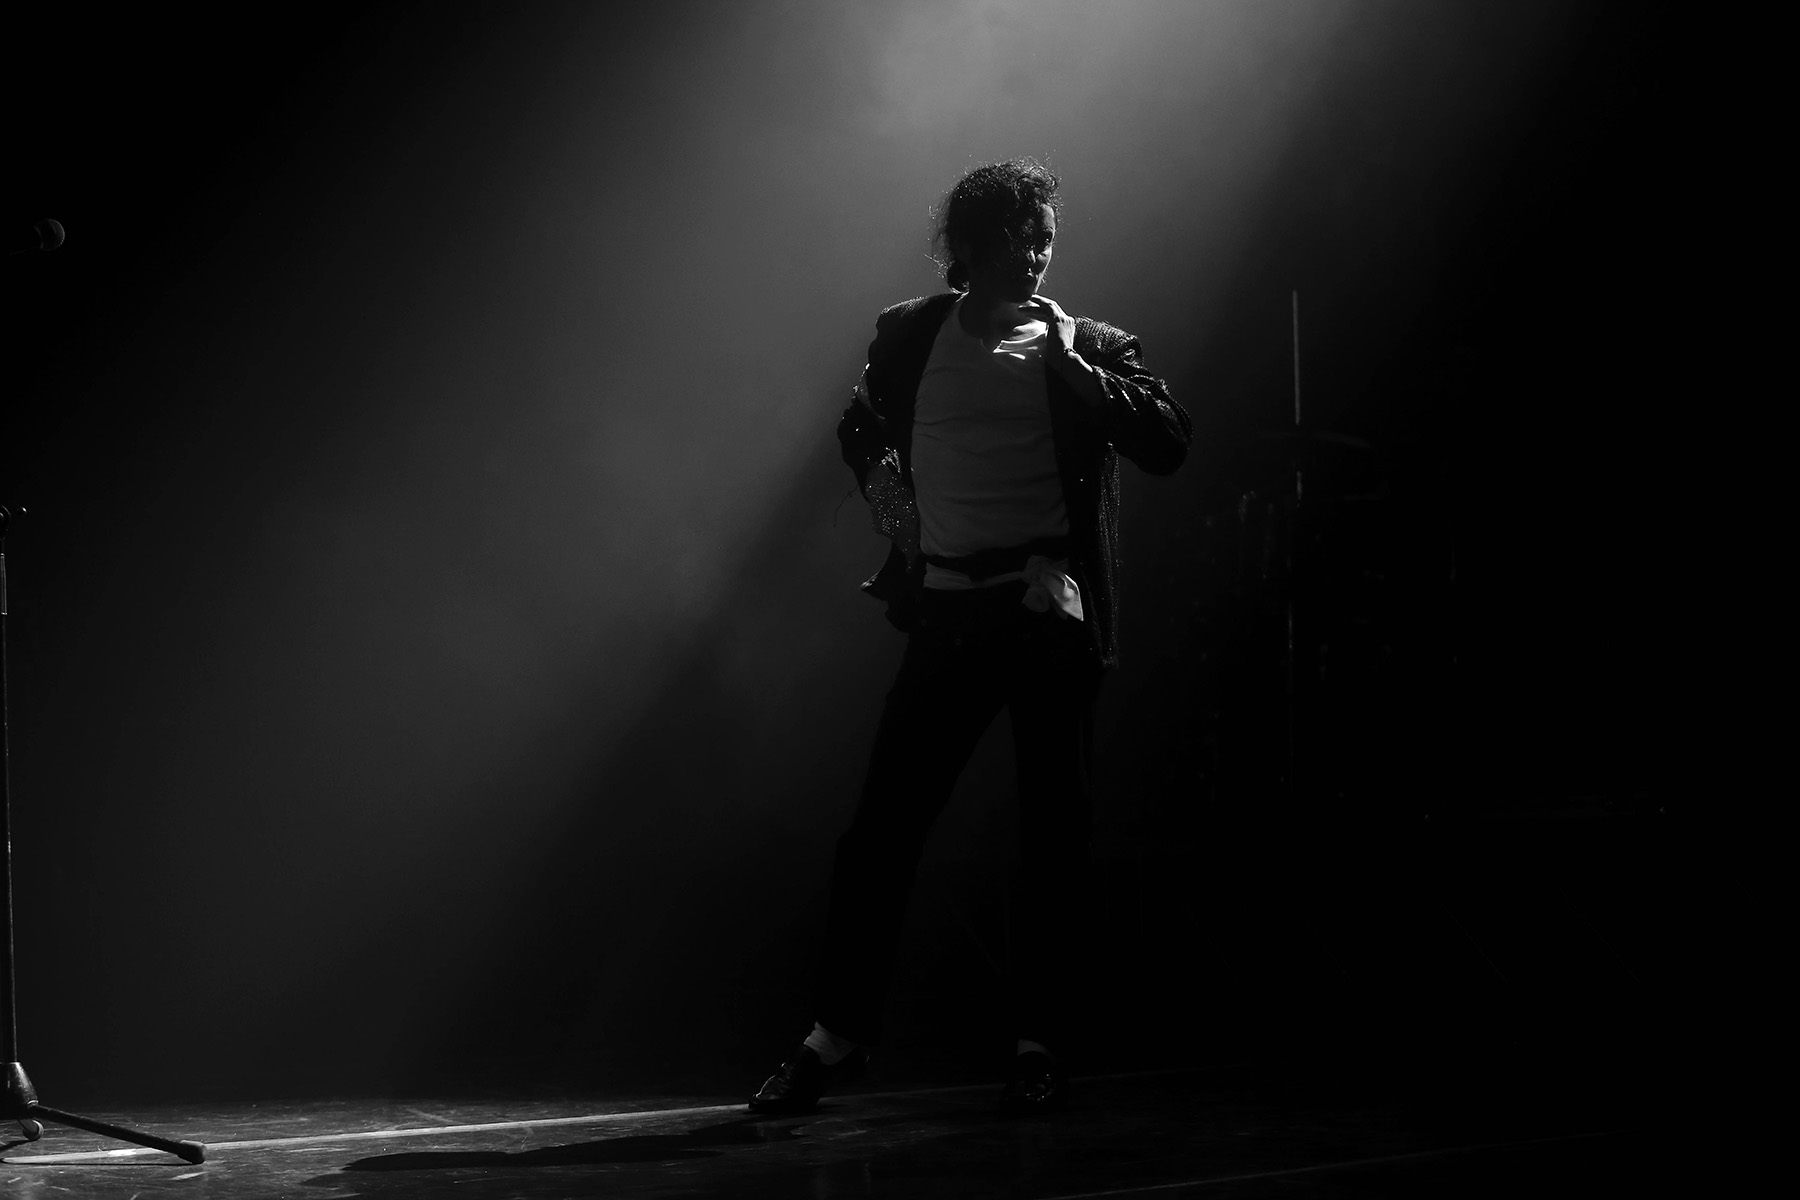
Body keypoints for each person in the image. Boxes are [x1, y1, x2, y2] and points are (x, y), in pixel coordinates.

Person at [750, 159, 1190, 1116]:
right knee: (880, 833)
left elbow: (1169, 440)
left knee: (1054, 837)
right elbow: (860, 425)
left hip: (1046, 619)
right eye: (1016, 241)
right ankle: (836, 1037)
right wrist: (897, 513)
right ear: (970, 247)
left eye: (1045, 240)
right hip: (948, 616)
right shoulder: (911, 335)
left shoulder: (1089, 344)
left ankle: (1040, 1044)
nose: (1034, 257)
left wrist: (1077, 375)